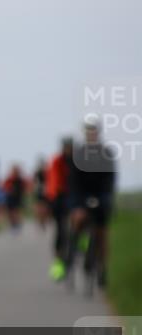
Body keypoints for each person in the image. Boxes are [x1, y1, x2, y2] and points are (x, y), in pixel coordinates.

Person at [63, 122, 117, 291]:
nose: (91, 134)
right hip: (81, 196)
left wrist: (105, 199)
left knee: (101, 234)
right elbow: (74, 182)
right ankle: (71, 255)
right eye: (89, 132)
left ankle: (102, 269)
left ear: (98, 133)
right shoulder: (78, 154)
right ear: (85, 133)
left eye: (94, 131)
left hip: (101, 196)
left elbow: (110, 180)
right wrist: (77, 205)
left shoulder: (106, 153)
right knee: (77, 222)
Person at [45, 137, 73, 281]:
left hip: (75, 197)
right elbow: (53, 181)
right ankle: (58, 265)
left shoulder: (79, 161)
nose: (68, 150)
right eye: (66, 147)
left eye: (70, 147)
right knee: (60, 231)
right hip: (60, 197)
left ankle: (84, 246)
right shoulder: (57, 161)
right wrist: (54, 197)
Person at [2, 164, 28, 231]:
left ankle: (17, 224)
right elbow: (5, 188)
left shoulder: (20, 180)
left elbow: (25, 187)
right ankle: (13, 224)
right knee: (10, 212)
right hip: (10, 197)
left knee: (16, 211)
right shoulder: (9, 179)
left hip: (18, 197)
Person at [32, 158, 49, 229]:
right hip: (39, 192)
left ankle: (43, 220)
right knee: (39, 207)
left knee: (44, 208)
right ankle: (40, 220)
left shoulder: (46, 172)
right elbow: (35, 183)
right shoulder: (37, 173)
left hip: (45, 192)